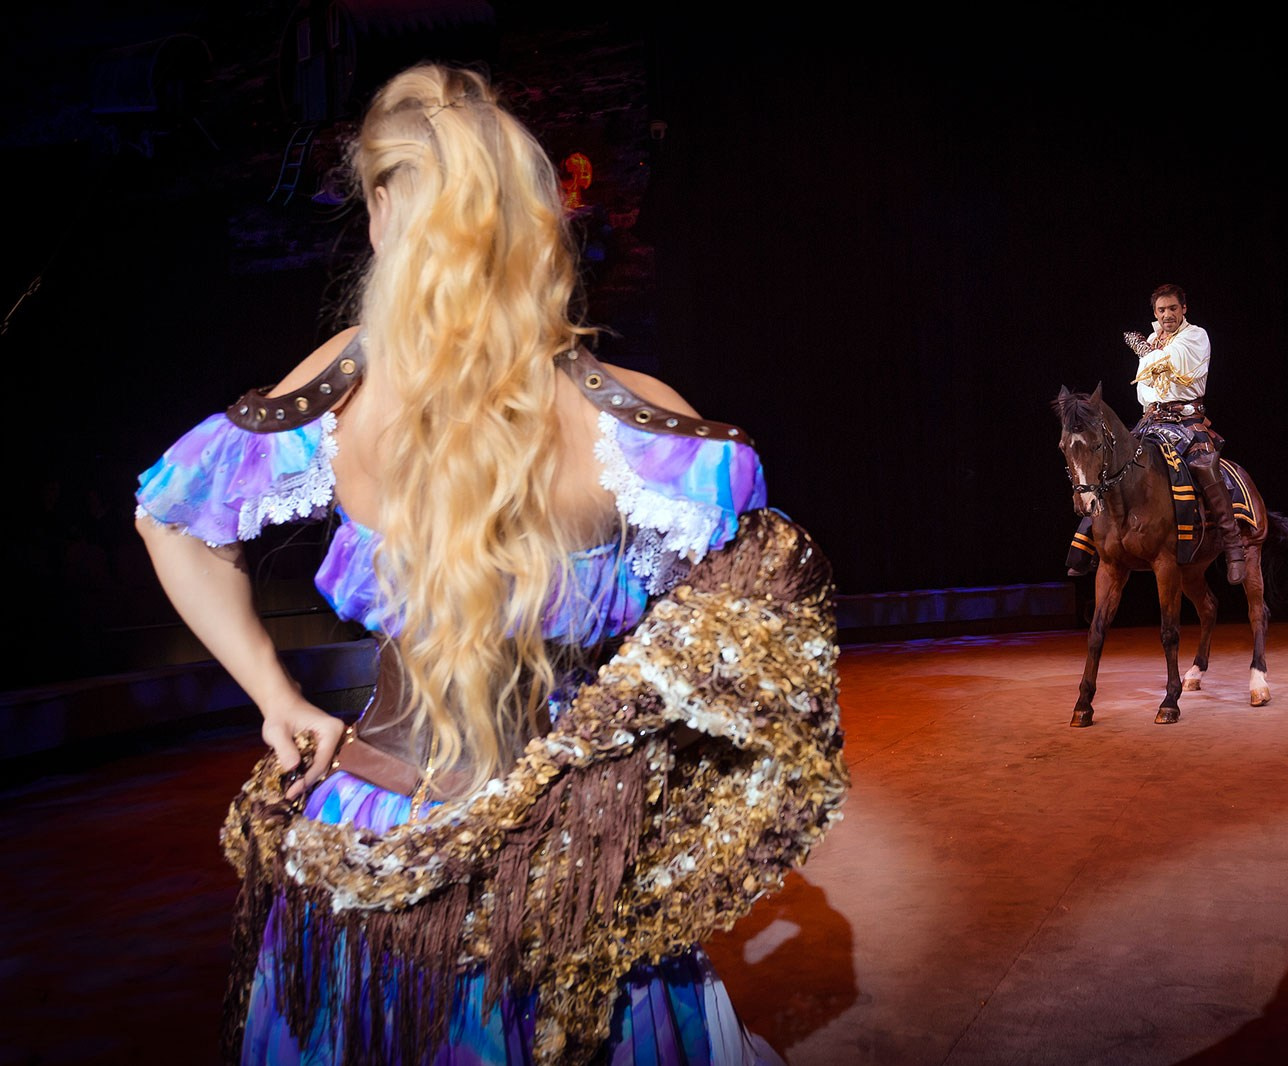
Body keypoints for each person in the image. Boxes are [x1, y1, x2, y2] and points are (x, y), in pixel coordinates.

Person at [135, 64, 846, 1065]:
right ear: (539, 220)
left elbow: (170, 517)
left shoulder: (342, 389)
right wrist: (643, 771)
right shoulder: (637, 424)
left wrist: (277, 699)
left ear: (385, 213)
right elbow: (763, 646)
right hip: (571, 858)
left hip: (376, 846)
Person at [1123, 284, 1246, 585]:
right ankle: (1091, 537)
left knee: (1204, 466)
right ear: (1155, 313)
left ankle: (1233, 547)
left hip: (1186, 420)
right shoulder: (1153, 340)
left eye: (1173, 308)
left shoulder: (1195, 336)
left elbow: (1175, 362)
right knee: (1116, 459)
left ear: (1184, 309)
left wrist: (1146, 353)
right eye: (1161, 310)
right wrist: (1149, 356)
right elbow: (1143, 388)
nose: (1167, 314)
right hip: (1153, 420)